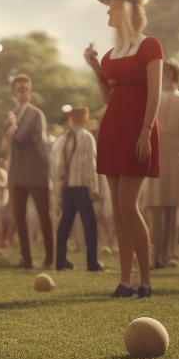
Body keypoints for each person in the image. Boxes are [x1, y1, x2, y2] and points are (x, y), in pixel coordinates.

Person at [85, 0, 163, 299]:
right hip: (113, 128)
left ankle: (146, 280)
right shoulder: (109, 55)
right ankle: (125, 281)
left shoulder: (150, 46)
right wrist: (95, 69)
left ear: (127, 9)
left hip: (137, 128)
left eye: (113, 7)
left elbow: (154, 92)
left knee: (129, 205)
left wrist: (146, 131)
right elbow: (108, 96)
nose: (108, 12)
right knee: (117, 209)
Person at [142, 59, 179, 270]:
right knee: (172, 211)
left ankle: (154, 256)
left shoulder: (149, 99)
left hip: (156, 159)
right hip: (176, 159)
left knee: (156, 210)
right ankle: (165, 256)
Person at [5, 74, 54, 269]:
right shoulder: (14, 113)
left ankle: (50, 258)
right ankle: (26, 259)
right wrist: (10, 125)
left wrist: (11, 124)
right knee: (19, 217)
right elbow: (7, 136)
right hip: (16, 172)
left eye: (25, 89)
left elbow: (20, 137)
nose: (22, 93)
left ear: (30, 90)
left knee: (44, 216)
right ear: (14, 92)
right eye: (19, 89)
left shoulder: (34, 113)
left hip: (35, 171)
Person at [50, 107, 103, 271]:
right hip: (81, 186)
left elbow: (56, 160)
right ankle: (92, 262)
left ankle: (59, 260)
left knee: (65, 223)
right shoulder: (87, 137)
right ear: (85, 117)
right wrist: (94, 187)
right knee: (90, 224)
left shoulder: (65, 137)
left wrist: (59, 180)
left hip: (68, 186)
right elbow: (90, 164)